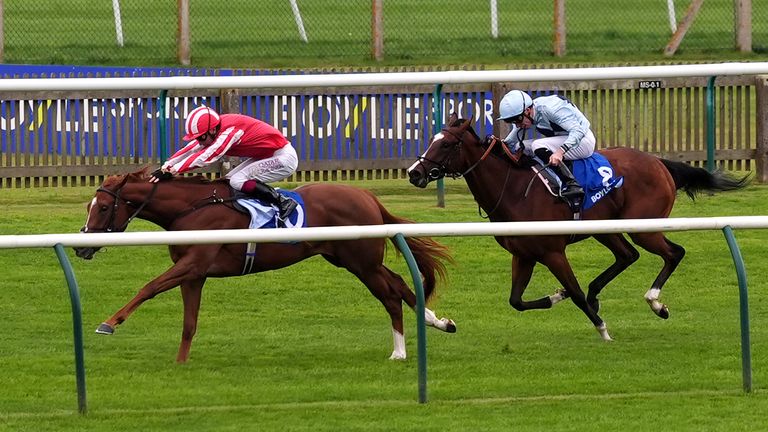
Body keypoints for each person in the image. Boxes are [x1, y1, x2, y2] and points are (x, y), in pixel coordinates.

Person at [150, 105, 299, 221]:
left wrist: (173, 171)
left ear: (213, 130)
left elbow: (207, 157)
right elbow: (191, 148)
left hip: (283, 158)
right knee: (228, 181)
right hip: (266, 155)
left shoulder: (229, 132)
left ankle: (283, 202)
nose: (199, 141)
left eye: (201, 137)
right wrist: (165, 167)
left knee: (237, 180)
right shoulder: (214, 129)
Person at [494, 89, 596, 198]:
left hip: (583, 140)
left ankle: (570, 184)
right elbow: (510, 142)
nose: (517, 125)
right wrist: (498, 146)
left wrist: (559, 152)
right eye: (513, 122)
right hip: (566, 138)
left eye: (518, 121)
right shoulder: (530, 112)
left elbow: (578, 131)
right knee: (519, 146)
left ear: (528, 111)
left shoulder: (551, 109)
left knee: (537, 145)